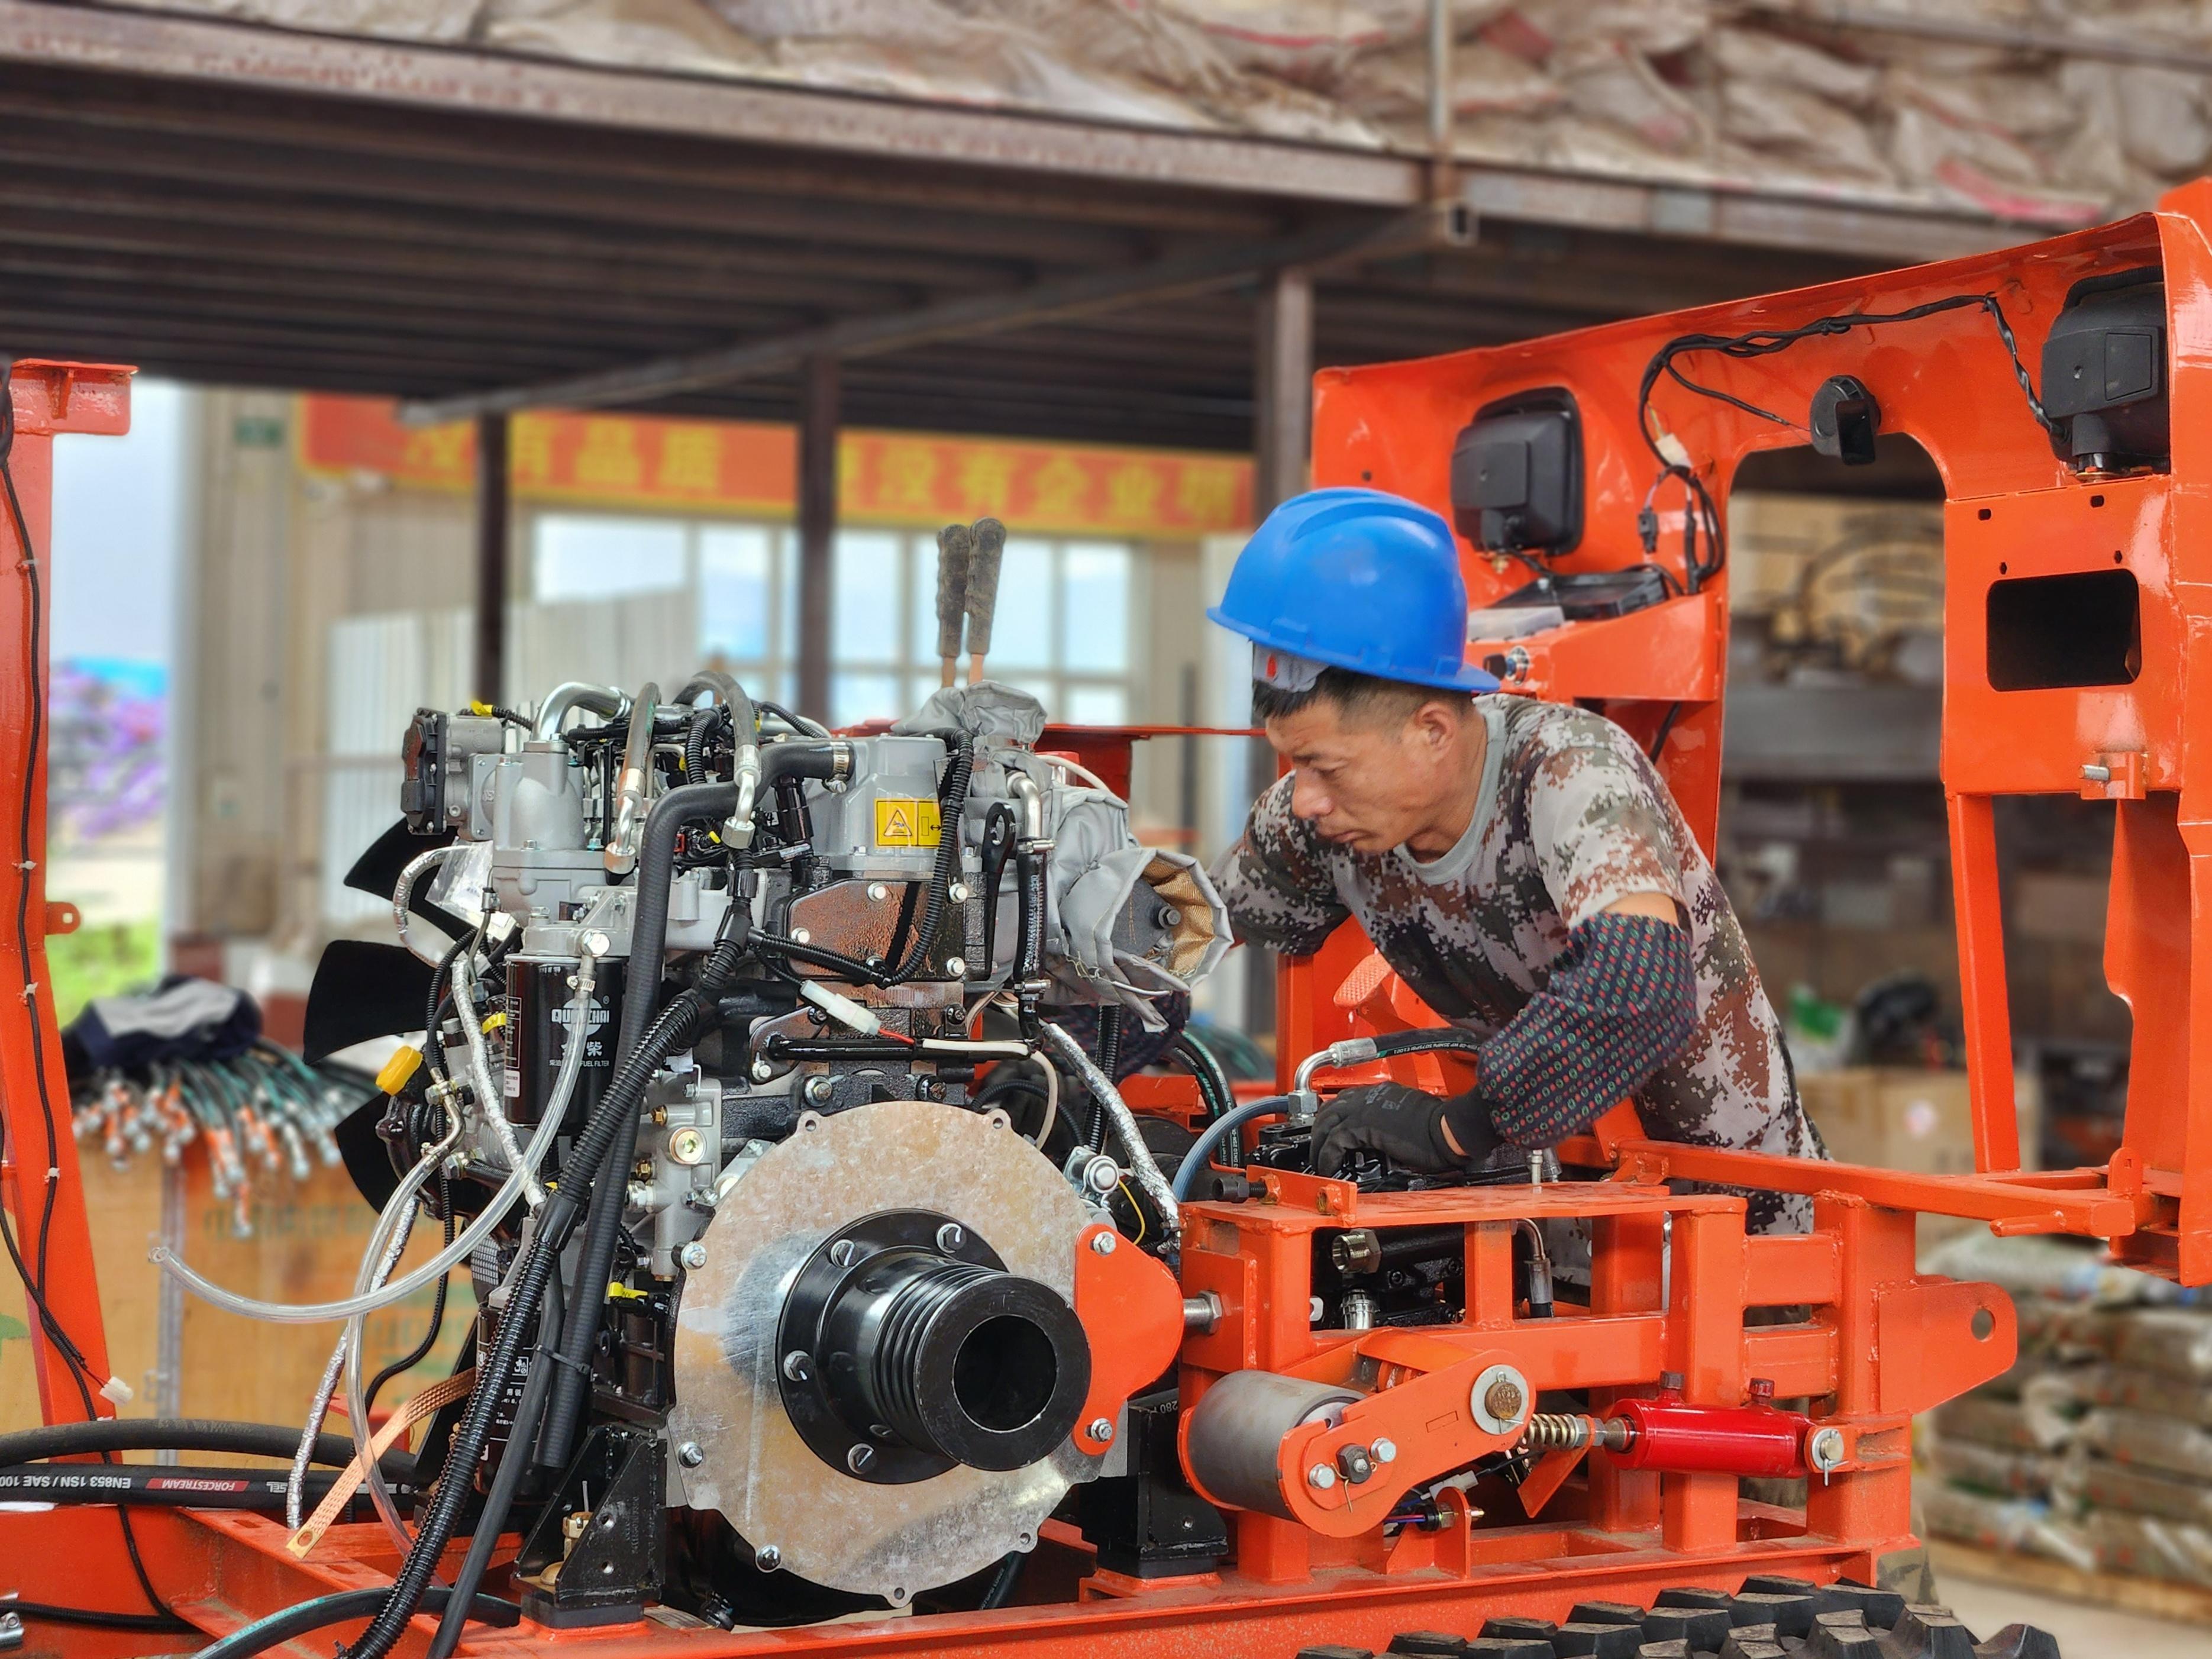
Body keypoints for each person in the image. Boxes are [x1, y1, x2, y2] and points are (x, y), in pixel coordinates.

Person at [1207, 487, 1823, 1232]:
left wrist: (1447, 1133)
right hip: (1555, 1196)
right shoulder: (1321, 820)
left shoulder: (1566, 771)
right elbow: (1181, 932)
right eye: (1291, 765)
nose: (1304, 799)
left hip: (1729, 1208)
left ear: (1431, 729)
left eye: (1324, 766)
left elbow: (1639, 988)